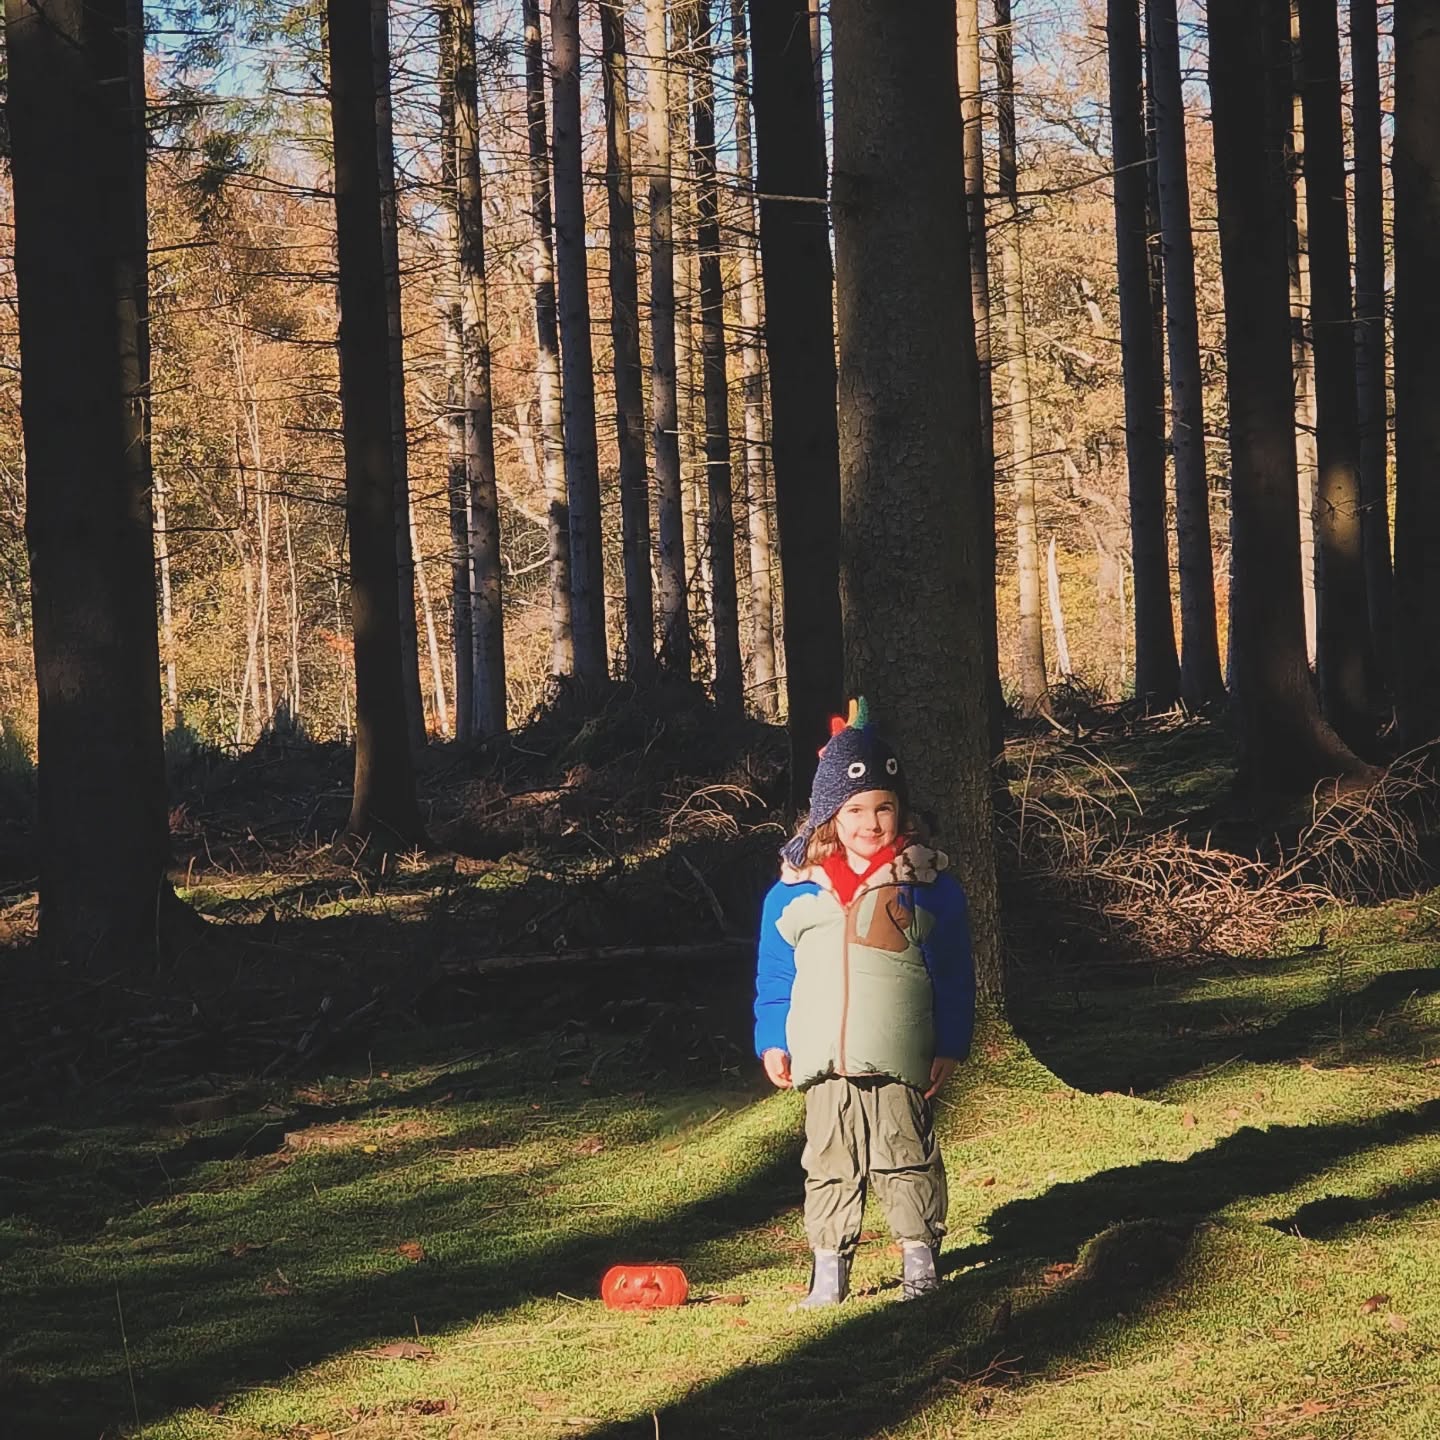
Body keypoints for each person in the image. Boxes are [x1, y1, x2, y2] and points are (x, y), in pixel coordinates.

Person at [754, 698, 975, 1307]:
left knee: (907, 1156)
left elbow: (954, 973)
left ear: (901, 810)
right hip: (822, 1058)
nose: (871, 821)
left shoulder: (927, 887)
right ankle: (829, 1268)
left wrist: (950, 1043)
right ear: (829, 816)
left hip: (899, 1053)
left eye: (884, 807)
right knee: (827, 1161)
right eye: (855, 809)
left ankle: (919, 1260)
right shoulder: (794, 892)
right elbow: (775, 975)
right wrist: (773, 1037)